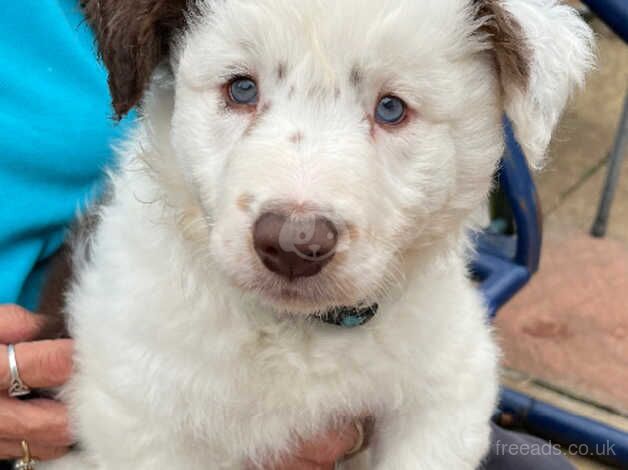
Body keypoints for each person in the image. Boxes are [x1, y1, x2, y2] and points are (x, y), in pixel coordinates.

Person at [0, 1, 575, 469]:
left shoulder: (425, 304)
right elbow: (129, 428)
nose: (299, 227)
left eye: (392, 109)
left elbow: (448, 392)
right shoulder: (143, 288)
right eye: (241, 90)